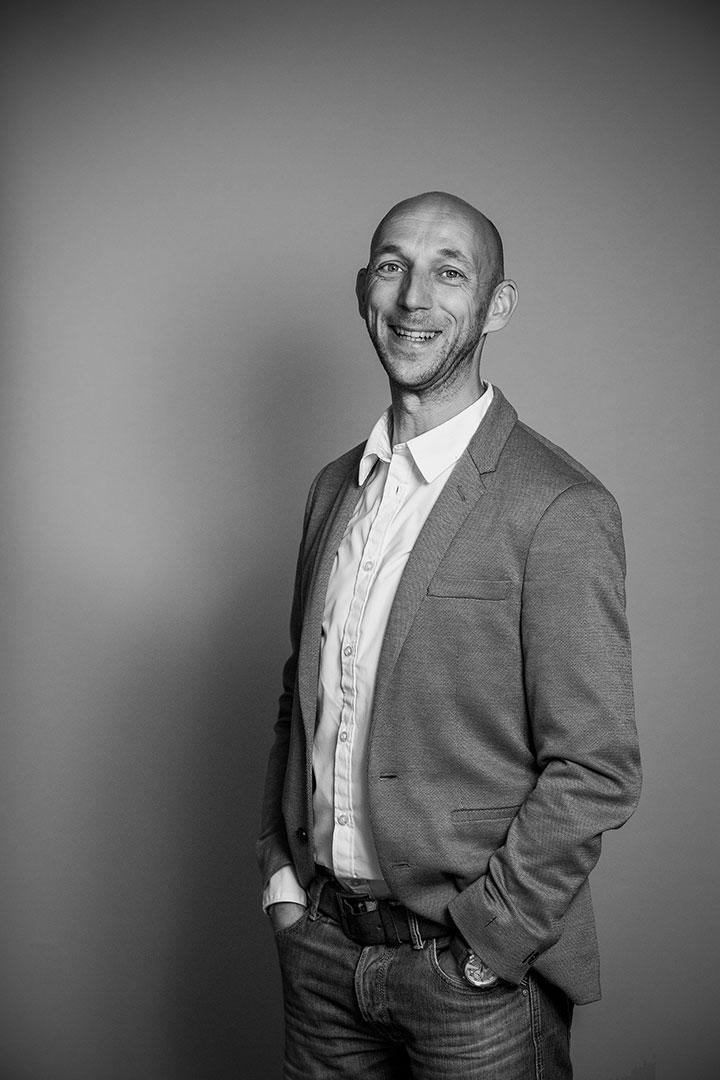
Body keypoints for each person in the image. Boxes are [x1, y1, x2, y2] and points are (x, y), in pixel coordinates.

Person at [256, 191, 641, 1079]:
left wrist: (489, 945)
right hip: (322, 954)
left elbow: (596, 766)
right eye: (393, 267)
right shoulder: (333, 490)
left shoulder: (559, 507)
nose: (414, 298)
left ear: (497, 306)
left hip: (472, 981)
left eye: (450, 272)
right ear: (364, 291)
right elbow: (298, 695)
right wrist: (282, 882)